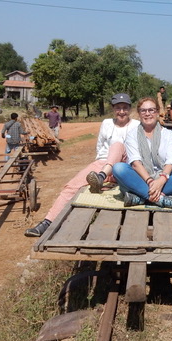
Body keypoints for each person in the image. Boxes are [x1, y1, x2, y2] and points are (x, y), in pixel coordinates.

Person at [25, 93, 139, 237]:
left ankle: (102, 176)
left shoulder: (136, 125)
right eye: (118, 108)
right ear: (113, 109)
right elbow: (100, 148)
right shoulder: (107, 123)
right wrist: (102, 166)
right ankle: (48, 222)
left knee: (118, 145)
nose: (121, 111)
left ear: (129, 108)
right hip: (103, 163)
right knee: (70, 187)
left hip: (124, 166)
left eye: (124, 108)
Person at [112, 97, 172, 209]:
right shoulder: (132, 134)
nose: (147, 114)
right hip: (140, 178)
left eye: (151, 110)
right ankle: (161, 200)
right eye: (143, 110)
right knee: (118, 168)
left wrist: (161, 179)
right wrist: (150, 181)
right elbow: (135, 163)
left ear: (157, 112)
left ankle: (140, 198)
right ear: (139, 114)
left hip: (162, 178)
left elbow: (171, 160)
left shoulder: (167, 134)